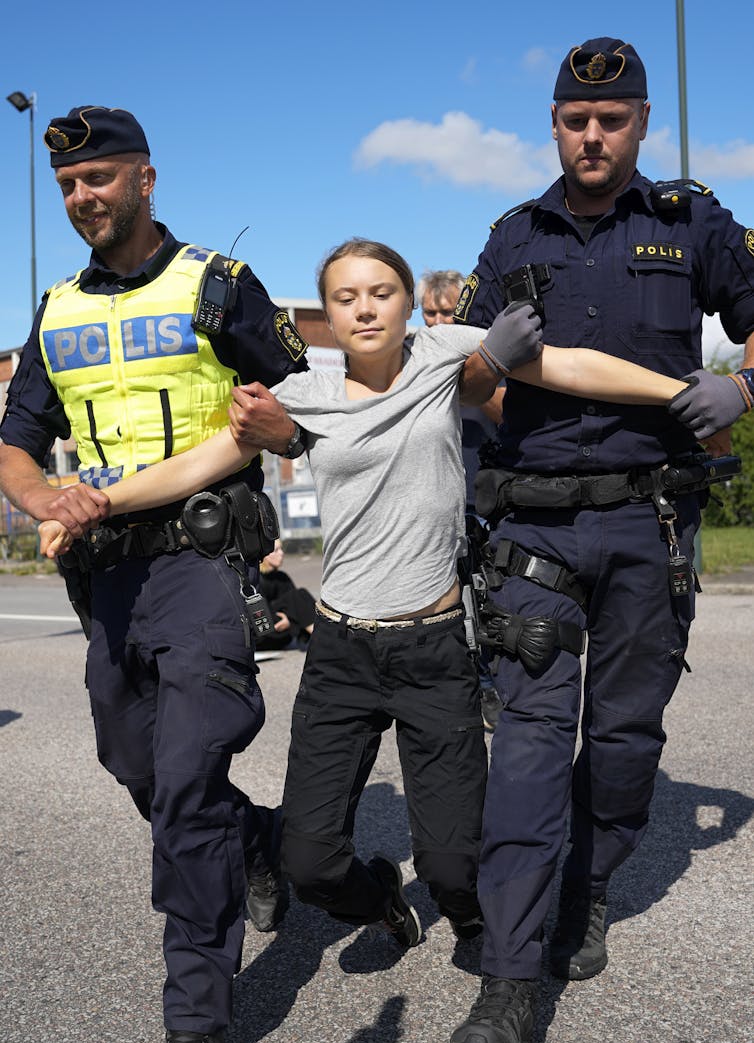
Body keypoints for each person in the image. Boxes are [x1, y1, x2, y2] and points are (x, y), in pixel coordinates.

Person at [40, 239, 713, 974]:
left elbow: (569, 366)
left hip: (434, 651)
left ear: (405, 299)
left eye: (382, 291)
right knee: (309, 862)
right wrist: (96, 500)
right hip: (340, 654)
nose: (365, 308)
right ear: (327, 314)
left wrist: (680, 390)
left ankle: (468, 917)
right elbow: (198, 462)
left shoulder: (445, 353)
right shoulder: (299, 394)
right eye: (345, 297)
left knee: (456, 866)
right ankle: (383, 896)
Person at [447, 37, 754, 1043]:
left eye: (610, 119)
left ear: (640, 122)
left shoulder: (691, 224)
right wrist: (488, 364)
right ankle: (506, 982)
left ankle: (588, 887)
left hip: (649, 523)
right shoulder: (507, 236)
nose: (591, 135)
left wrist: (745, 388)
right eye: (574, 120)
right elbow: (460, 387)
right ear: (551, 123)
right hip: (532, 524)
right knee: (529, 747)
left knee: (622, 741)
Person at [0, 105, 309, 1043]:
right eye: (67, 187)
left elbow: (296, 400)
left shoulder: (219, 284)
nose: (84, 198)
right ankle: (251, 837)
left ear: (145, 177)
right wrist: (42, 491)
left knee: (181, 780)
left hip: (201, 564)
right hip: (105, 578)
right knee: (132, 758)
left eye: (99, 178)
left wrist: (278, 430)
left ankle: (197, 1024)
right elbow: (13, 440)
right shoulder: (55, 309)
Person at [417, 269, 505, 732]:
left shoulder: (490, 357)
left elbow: (509, 413)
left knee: (486, 598)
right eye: (429, 313)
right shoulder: (415, 362)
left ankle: (491, 682)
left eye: (447, 312)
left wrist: (468, 377)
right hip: (434, 501)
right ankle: (460, 686)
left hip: (485, 499)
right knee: (445, 604)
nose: (437, 322)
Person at [255, 539, 316, 651]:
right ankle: (320, 638)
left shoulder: (282, 577)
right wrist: (292, 621)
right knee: (296, 596)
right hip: (264, 637)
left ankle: (321, 634)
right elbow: (261, 622)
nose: (282, 553)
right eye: (276, 550)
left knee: (300, 594)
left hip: (284, 635)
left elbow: (299, 609)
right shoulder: (255, 580)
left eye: (281, 549)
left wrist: (290, 621)